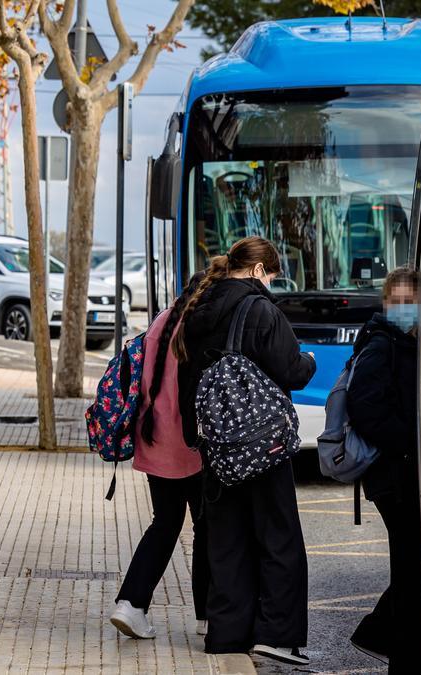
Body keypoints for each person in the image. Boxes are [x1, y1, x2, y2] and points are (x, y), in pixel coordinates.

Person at [173, 236, 317, 666]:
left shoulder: (195, 307)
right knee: (278, 535)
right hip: (261, 445)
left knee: (226, 538)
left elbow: (185, 379)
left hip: (216, 447)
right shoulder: (260, 310)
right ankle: (275, 633)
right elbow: (292, 370)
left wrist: (194, 435)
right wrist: (308, 360)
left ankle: (226, 634)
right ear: (258, 271)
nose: (271, 283)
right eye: (271, 275)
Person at [346, 266, 421, 675]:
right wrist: (412, 445)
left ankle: (401, 650)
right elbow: (365, 408)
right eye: (399, 301)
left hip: (410, 473)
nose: (406, 308)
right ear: (388, 302)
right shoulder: (382, 344)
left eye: (413, 301)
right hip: (397, 475)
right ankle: (402, 654)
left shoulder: (406, 343)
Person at [109, 275, 209, 641]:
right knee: (206, 527)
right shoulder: (199, 328)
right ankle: (207, 615)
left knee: (165, 524)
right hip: (190, 447)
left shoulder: (161, 321)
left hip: (153, 440)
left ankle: (131, 604)